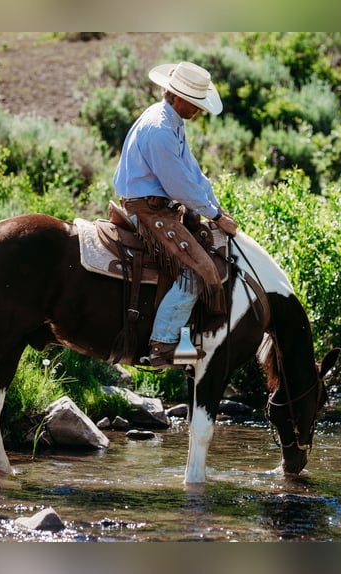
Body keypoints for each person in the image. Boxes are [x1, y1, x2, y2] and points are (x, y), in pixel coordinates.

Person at [113, 61, 238, 367]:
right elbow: (178, 184)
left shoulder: (170, 122)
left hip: (158, 206)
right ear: (178, 97)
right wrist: (217, 218)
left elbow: (192, 174)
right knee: (197, 269)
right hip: (146, 210)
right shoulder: (160, 131)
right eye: (195, 104)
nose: (198, 111)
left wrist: (214, 207)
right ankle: (163, 344)